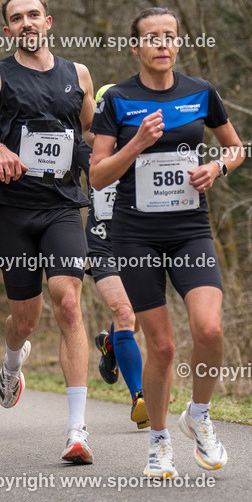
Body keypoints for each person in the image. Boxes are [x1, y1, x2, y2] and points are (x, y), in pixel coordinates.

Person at [90, 7, 245, 478]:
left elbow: (236, 147)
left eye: (170, 36)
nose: (162, 44)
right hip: (135, 234)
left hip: (189, 230)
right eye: (152, 37)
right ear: (134, 47)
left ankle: (198, 416)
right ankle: (158, 442)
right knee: (161, 347)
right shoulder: (117, 100)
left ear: (178, 44)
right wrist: (135, 144)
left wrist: (217, 168)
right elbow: (97, 176)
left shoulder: (200, 93)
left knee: (211, 330)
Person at [0, 0, 97, 464]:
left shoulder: (78, 75)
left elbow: (94, 136)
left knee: (69, 303)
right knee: (25, 319)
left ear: (48, 22)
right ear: (8, 28)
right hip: (15, 210)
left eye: (34, 15)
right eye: (17, 18)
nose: (27, 24)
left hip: (62, 205)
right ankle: (13, 361)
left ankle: (77, 431)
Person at [83, 84, 147, 430]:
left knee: (133, 314)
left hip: (140, 242)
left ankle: (110, 343)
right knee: (124, 312)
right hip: (103, 244)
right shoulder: (86, 149)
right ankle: (140, 398)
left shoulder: (146, 146)